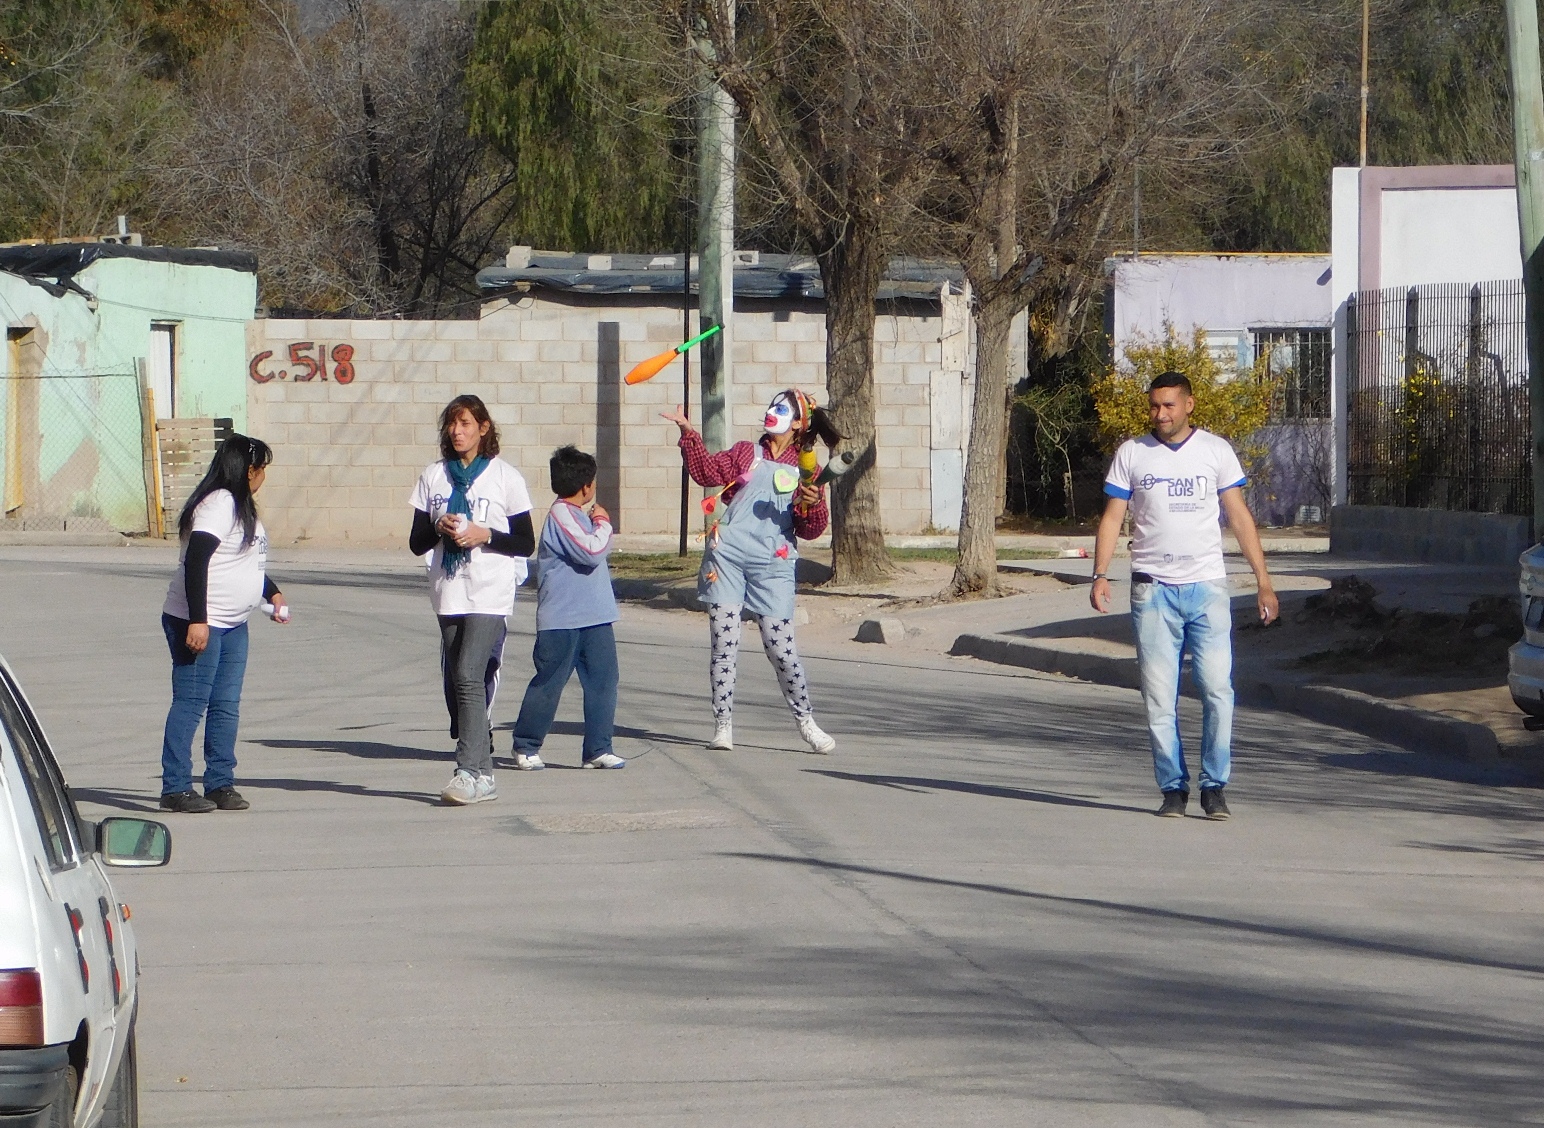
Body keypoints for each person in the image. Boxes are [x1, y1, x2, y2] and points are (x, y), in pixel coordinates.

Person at [1090, 371, 1279, 820]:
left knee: (1217, 690)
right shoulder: (1132, 454)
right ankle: (1172, 788)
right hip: (1152, 591)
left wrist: (1263, 580)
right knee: (1159, 697)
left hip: (1207, 588)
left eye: (1170, 405)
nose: (1161, 414)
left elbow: (1238, 515)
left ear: (1189, 405)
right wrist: (1100, 574)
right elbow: (1112, 517)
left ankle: (1215, 786)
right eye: (1155, 406)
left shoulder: (1215, 451)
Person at [662, 388, 839, 755]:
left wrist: (811, 503)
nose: (771, 412)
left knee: (781, 647)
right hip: (726, 557)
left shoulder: (810, 471)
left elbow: (810, 530)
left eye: (782, 408)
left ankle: (807, 722)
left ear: (799, 424)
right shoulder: (746, 452)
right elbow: (707, 471)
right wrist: (687, 433)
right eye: (773, 404)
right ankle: (722, 725)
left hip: (773, 564)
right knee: (724, 646)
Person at [409, 394, 535, 806]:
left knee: (468, 674)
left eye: (466, 424)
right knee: (458, 683)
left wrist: (486, 535)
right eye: (452, 424)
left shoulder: (505, 478)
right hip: (449, 588)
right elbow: (416, 542)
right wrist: (437, 525)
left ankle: (465, 769)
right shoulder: (434, 477)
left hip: (489, 590)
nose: (457, 431)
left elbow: (525, 542)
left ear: (483, 428)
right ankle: (484, 774)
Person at [159, 433, 287, 813]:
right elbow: (197, 562)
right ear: (248, 470)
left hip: (233, 623)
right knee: (192, 703)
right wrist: (197, 622)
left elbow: (242, 562)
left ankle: (219, 783)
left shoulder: (241, 506)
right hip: (201, 622)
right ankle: (176, 787)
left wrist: (272, 592)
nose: (264, 475)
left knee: (226, 705)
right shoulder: (219, 504)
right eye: (262, 467)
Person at [509, 445, 624, 770]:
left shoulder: (576, 517)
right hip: (561, 621)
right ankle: (526, 745)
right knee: (549, 682)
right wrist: (603, 522)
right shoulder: (561, 514)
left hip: (596, 617)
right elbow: (591, 550)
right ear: (586, 486)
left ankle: (598, 749)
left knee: (603, 681)